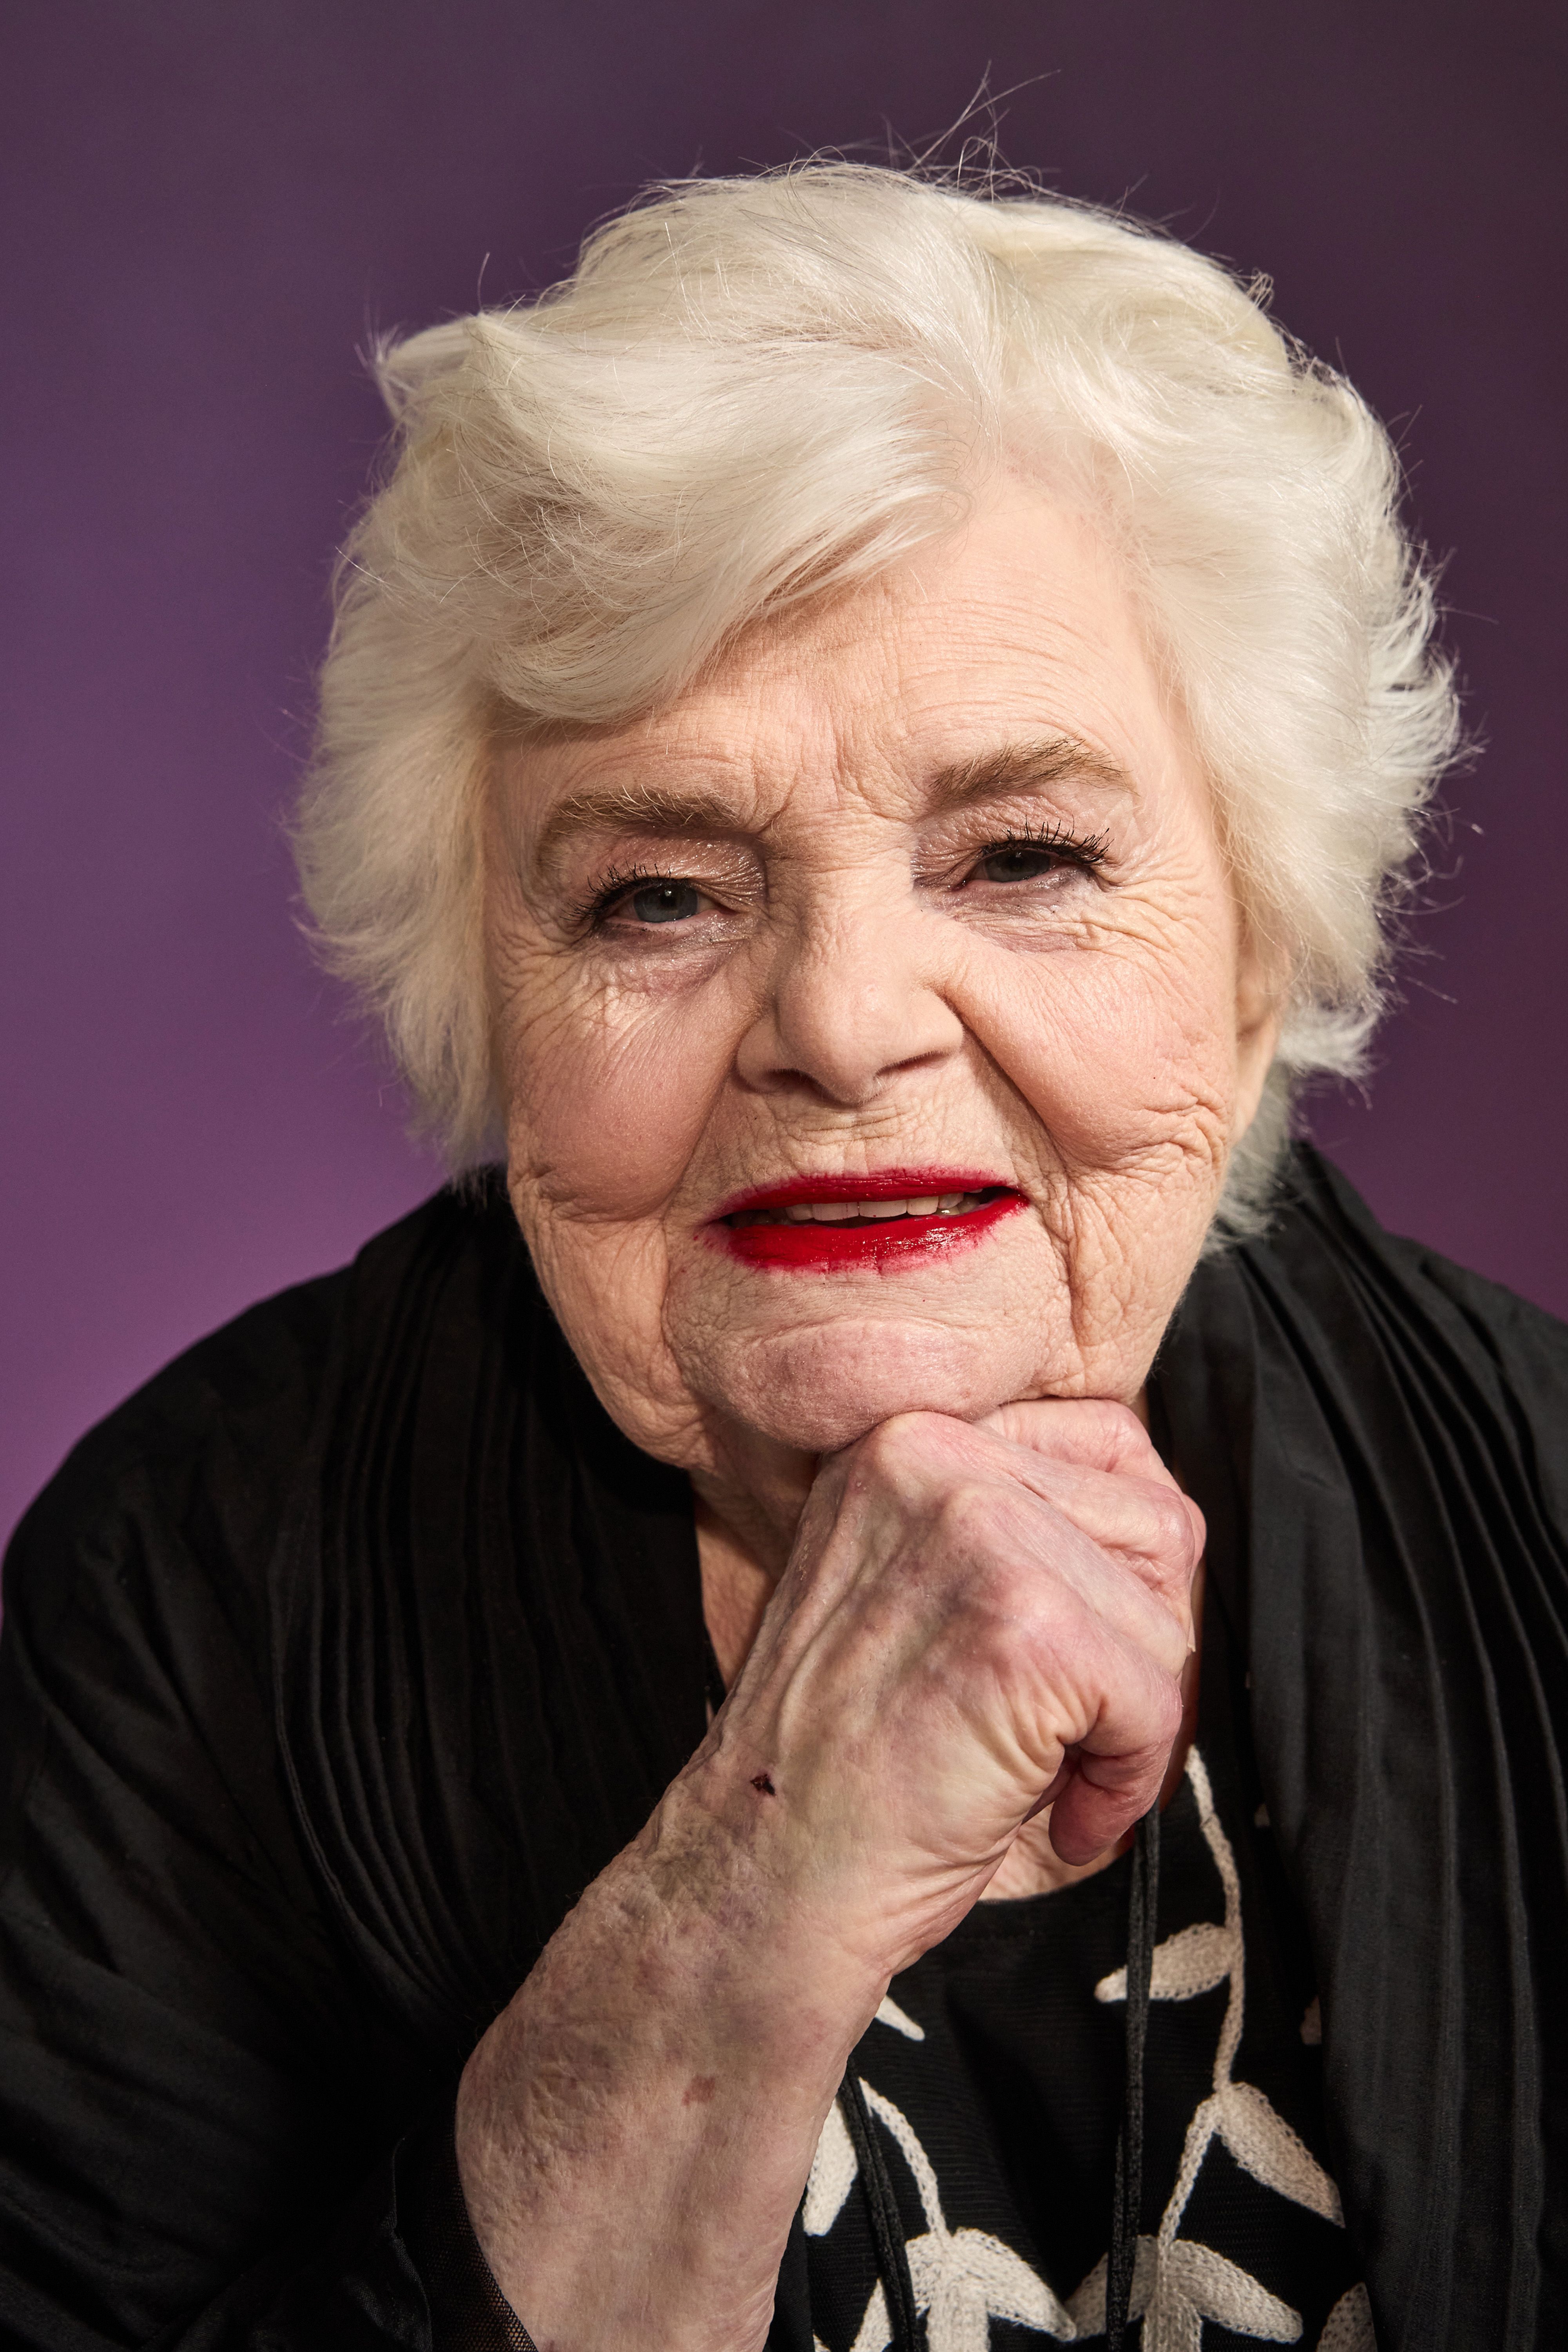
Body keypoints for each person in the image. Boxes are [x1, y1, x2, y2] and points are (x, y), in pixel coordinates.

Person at [1, 162, 1563, 2352]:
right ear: (488, 1001)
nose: (839, 1019)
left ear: (1250, 959)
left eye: (1021, 858)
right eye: (657, 894)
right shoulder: (189, 1598)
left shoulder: (1550, 1511)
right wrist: (751, 1896)